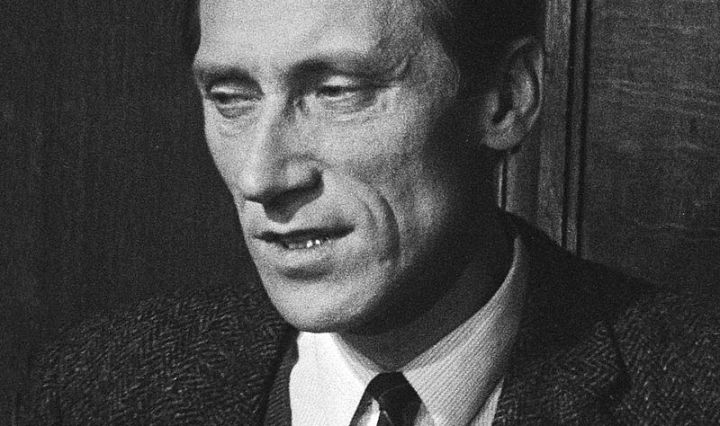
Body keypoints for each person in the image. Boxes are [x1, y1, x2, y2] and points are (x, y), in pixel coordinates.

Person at [26, 0, 720, 424]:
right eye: (231, 98)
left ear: (506, 98)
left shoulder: (695, 390)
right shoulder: (97, 389)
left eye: (336, 91)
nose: (261, 177)